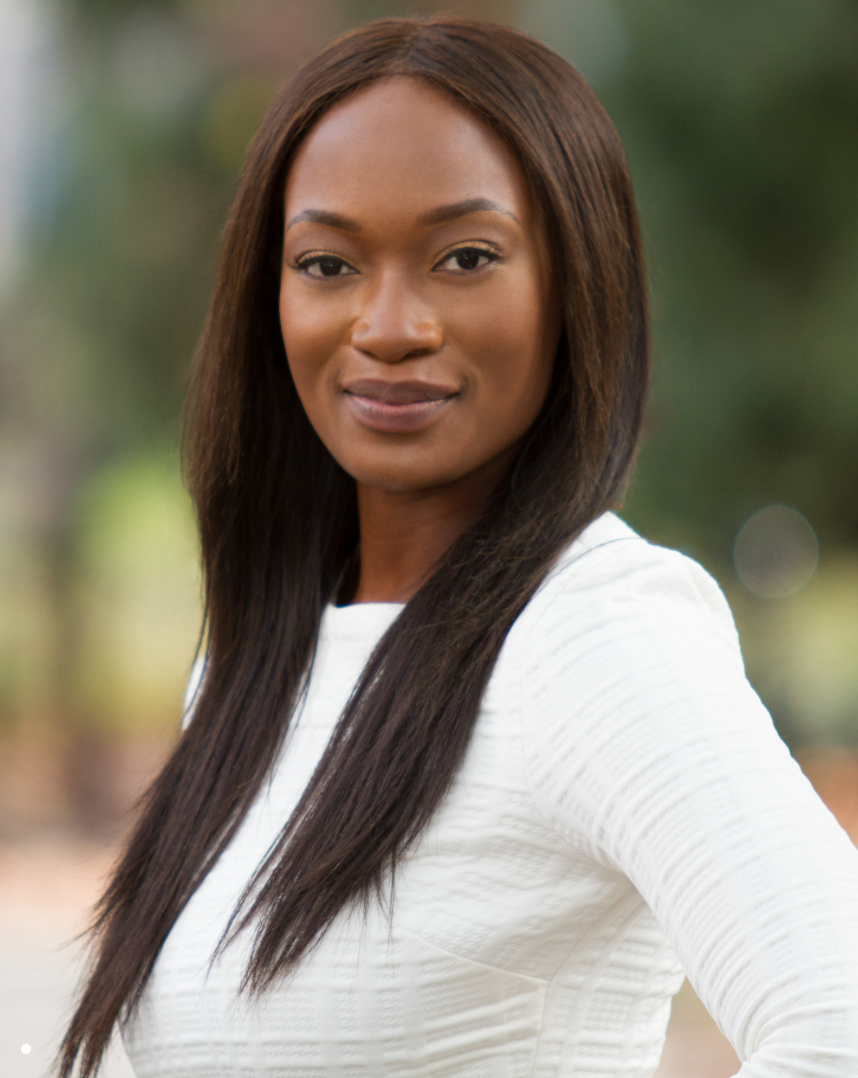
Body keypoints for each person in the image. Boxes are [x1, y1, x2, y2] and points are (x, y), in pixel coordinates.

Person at [60, 16, 858, 1078]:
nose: (390, 325)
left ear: (576, 286)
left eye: (465, 257)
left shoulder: (592, 636)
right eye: (329, 262)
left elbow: (837, 1020)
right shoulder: (260, 661)